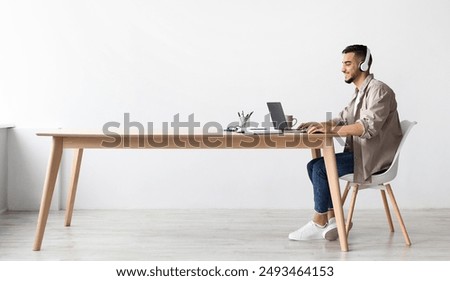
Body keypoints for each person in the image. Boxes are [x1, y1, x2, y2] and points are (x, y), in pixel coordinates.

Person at [289, 44, 402, 241]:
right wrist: (319, 124)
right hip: (360, 154)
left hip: (373, 159)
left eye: (348, 63)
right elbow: (343, 118)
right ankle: (334, 218)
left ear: (363, 64)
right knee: (313, 165)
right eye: (343, 63)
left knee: (321, 168)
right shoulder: (359, 93)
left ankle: (319, 221)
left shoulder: (380, 91)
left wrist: (330, 130)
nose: (343, 68)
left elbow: (366, 127)